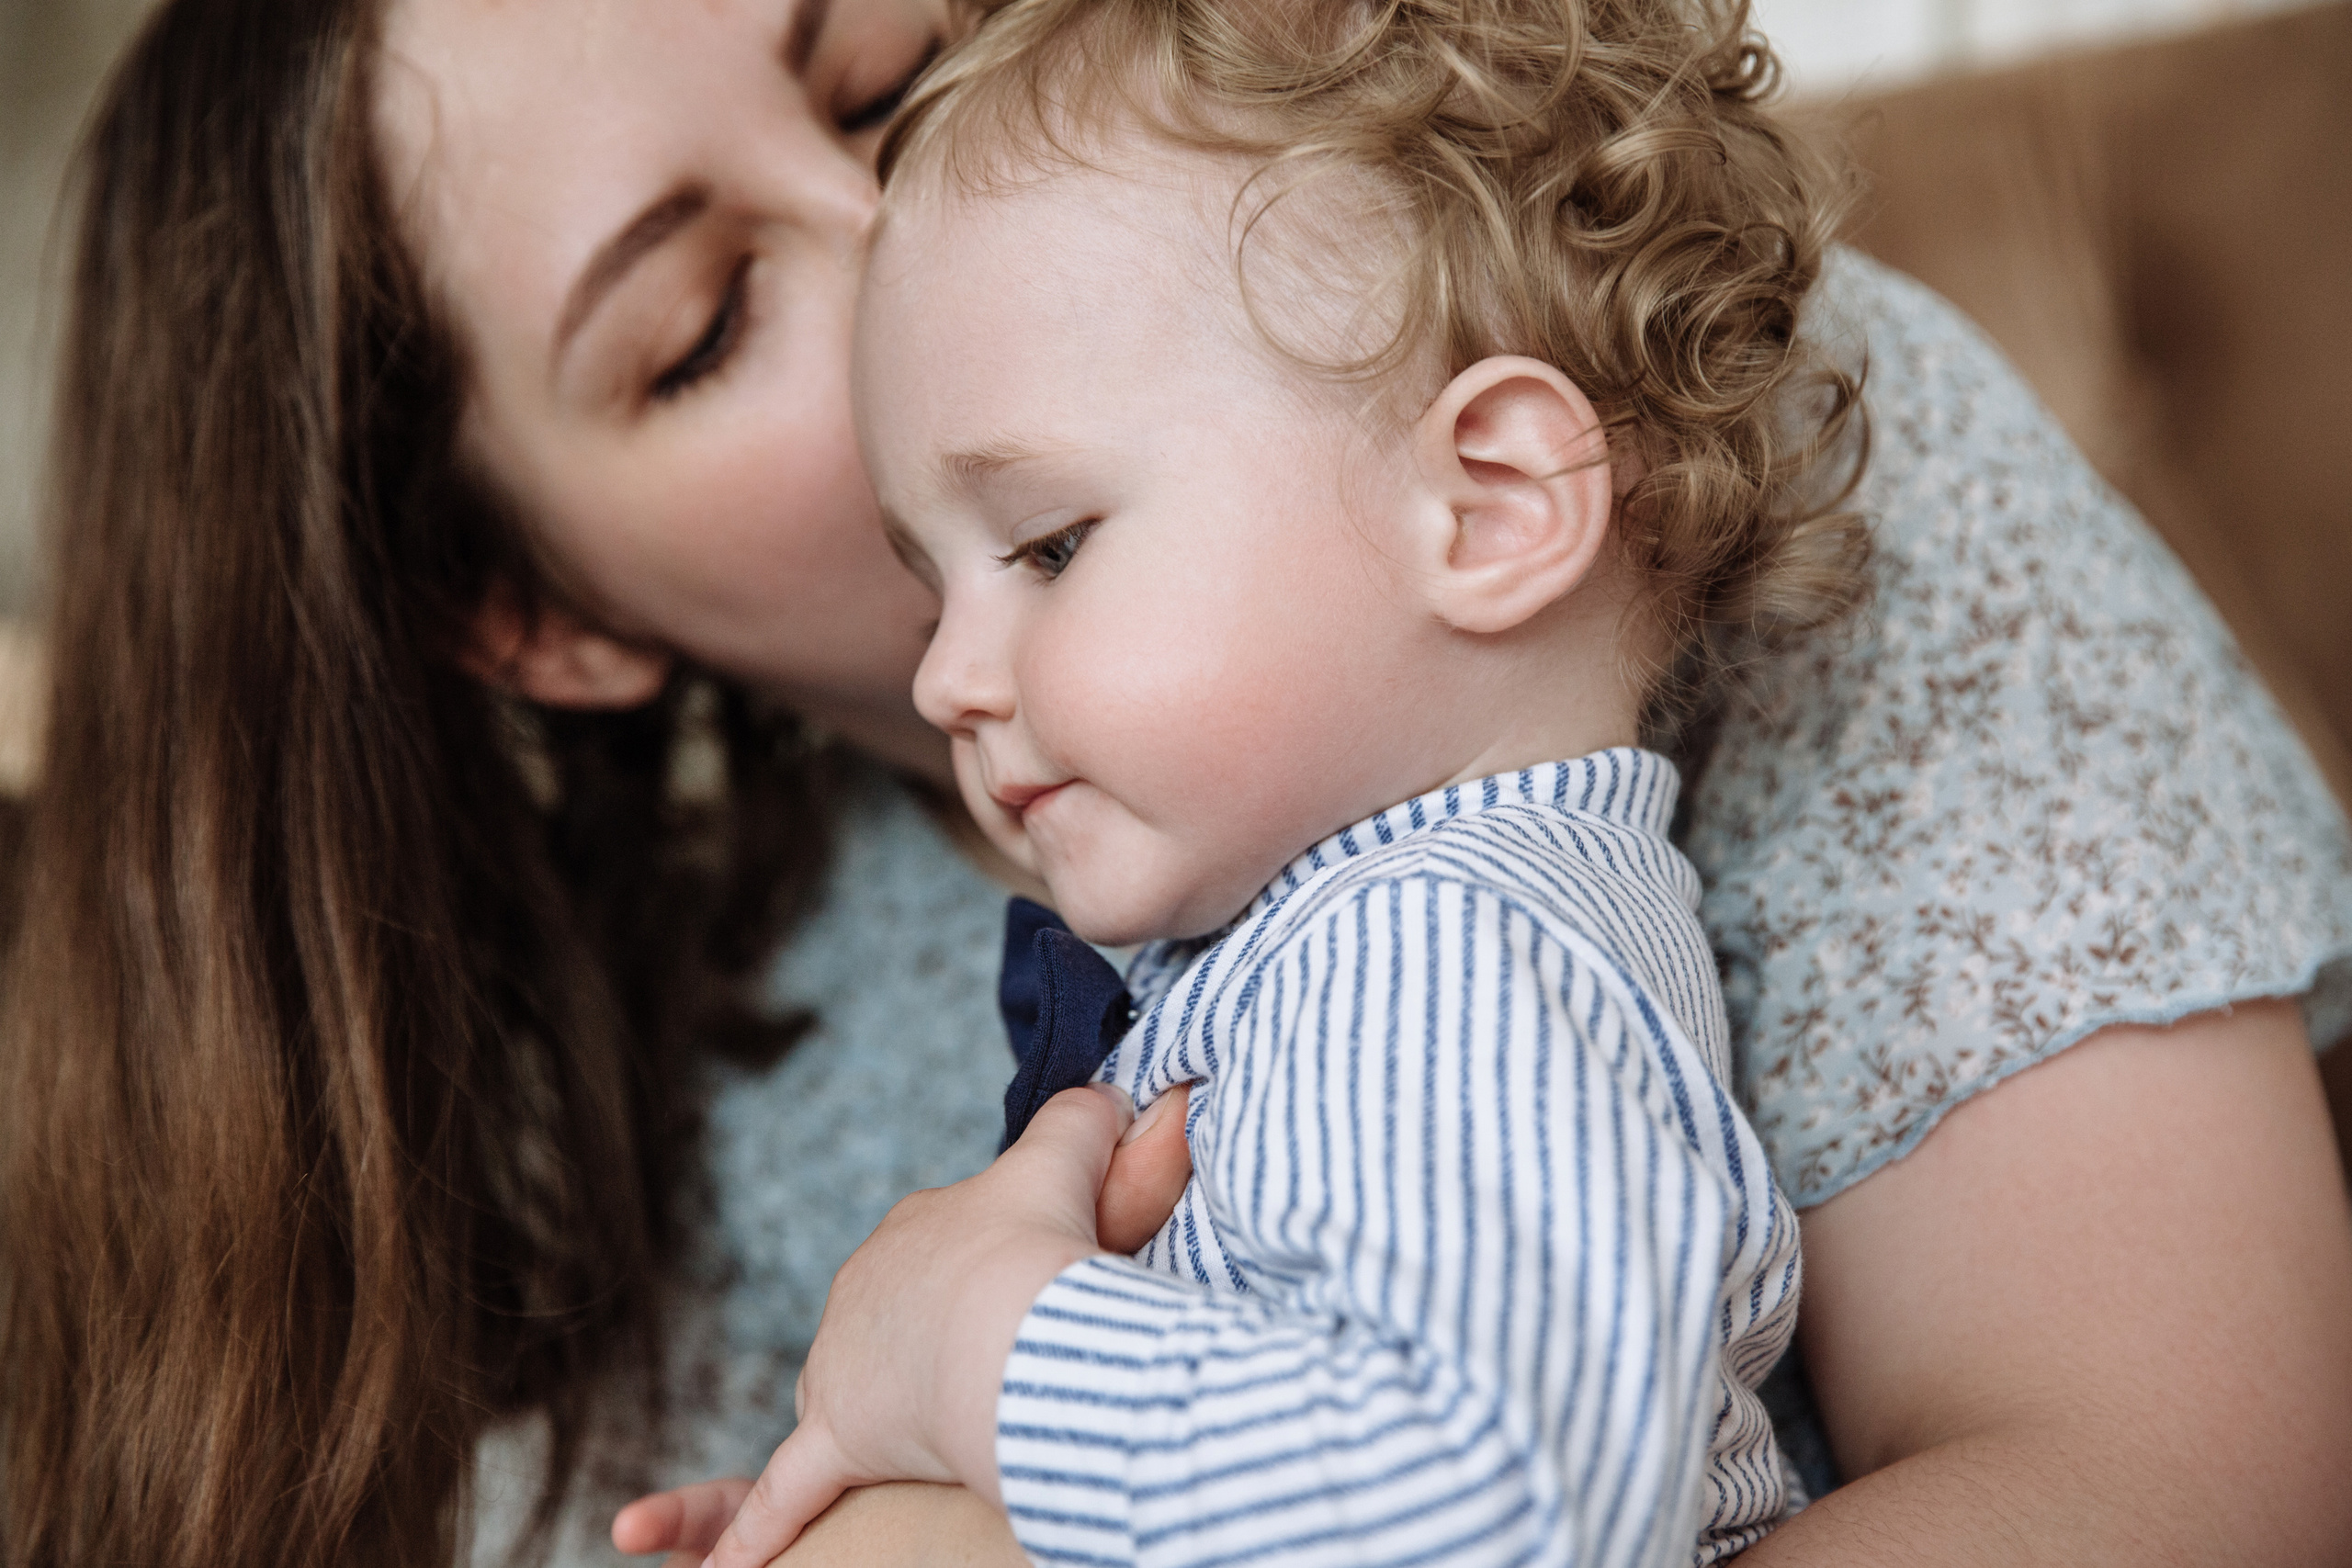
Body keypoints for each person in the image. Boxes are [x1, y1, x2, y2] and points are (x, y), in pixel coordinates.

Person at [4, 0, 2347, 1565]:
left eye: (884, 64)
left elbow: (2176, 1482)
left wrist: (978, 1396)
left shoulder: (1669, 463)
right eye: (703, 321)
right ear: (542, 612)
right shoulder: (635, 1095)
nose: (900, 226)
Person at [696, 2, 1853, 1560]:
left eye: (1048, 547)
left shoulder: (1449, 962)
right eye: (934, 590)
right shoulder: (1343, 950)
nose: (943, 679)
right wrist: (914, 1498)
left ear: (1490, 510)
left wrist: (982, 1344)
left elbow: (1498, 1509)